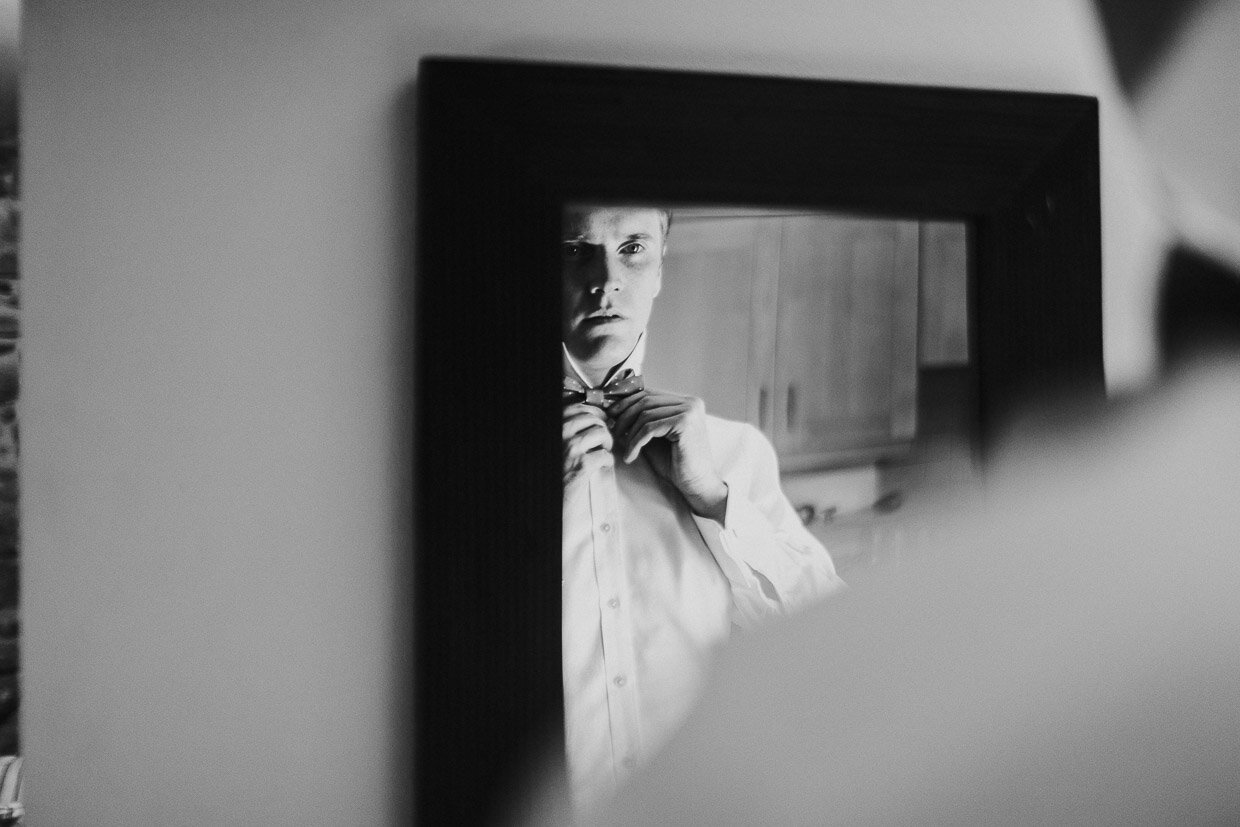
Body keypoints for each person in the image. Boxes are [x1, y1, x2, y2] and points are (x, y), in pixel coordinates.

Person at [560, 204, 844, 814]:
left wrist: (714, 498)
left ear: (662, 264)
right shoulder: (479, 465)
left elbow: (830, 641)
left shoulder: (736, 454)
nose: (606, 278)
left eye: (632, 247)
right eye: (575, 248)